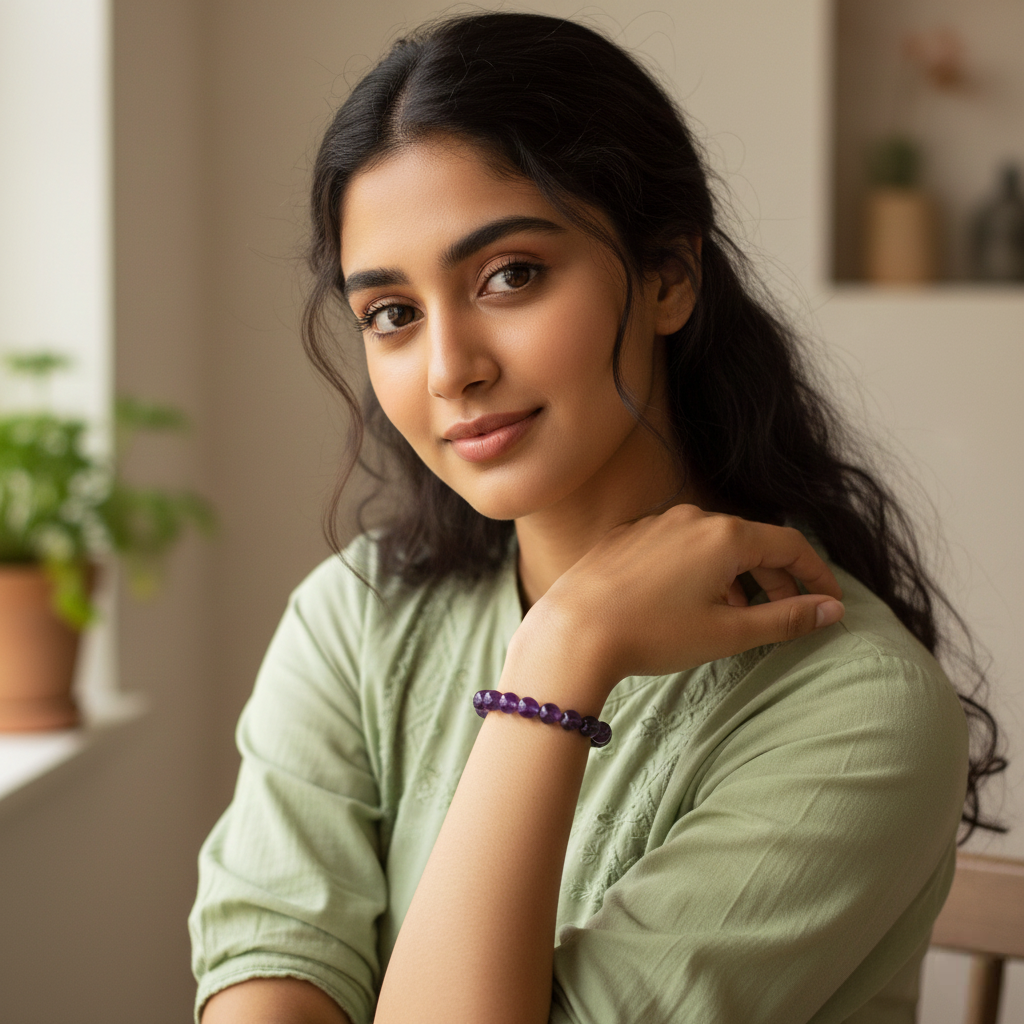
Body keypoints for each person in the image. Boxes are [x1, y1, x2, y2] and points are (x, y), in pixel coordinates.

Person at [189, 12, 1005, 1024]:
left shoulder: (854, 711)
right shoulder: (357, 617)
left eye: (510, 276)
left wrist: (559, 661)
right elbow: (265, 985)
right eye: (391, 313)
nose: (451, 369)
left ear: (668, 276)